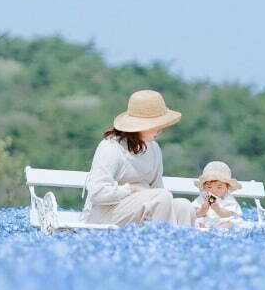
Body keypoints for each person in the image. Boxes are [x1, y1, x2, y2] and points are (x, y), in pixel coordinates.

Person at [81, 90, 195, 227]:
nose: (159, 130)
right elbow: (97, 193)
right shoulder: (111, 147)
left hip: (141, 210)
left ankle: (180, 246)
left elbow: (158, 189)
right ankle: (159, 245)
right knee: (162, 197)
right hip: (107, 214)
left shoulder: (154, 148)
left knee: (184, 206)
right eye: (155, 125)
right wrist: (131, 189)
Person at [193, 162, 244, 230]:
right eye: (209, 187)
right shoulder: (203, 197)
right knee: (194, 221)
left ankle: (216, 230)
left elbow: (229, 214)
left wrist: (218, 209)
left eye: (219, 187)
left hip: (222, 221)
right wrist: (203, 210)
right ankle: (204, 228)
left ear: (227, 187)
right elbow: (195, 213)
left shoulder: (228, 198)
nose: (214, 191)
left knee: (231, 223)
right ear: (204, 187)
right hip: (207, 221)